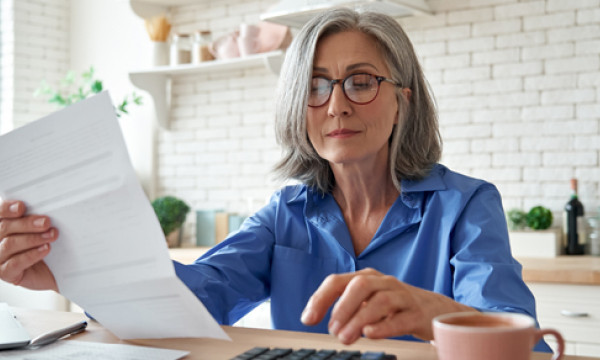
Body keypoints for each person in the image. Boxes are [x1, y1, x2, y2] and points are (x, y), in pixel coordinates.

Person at [0, 8, 550, 352]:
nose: (335, 104)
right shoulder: (285, 213)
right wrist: (71, 271)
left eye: (360, 81)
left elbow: (530, 347)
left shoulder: (466, 206)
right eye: (314, 87)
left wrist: (434, 314)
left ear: (403, 101)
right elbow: (197, 298)